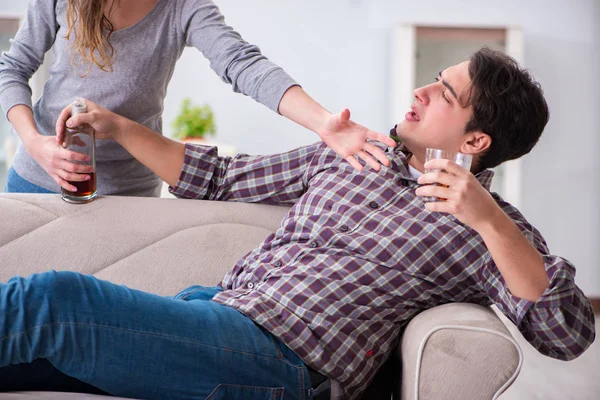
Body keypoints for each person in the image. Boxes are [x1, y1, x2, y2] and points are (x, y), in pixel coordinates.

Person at [0, 48, 595, 400]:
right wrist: (120, 127)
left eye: (443, 91)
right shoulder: (349, 155)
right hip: (218, 314)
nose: (420, 90)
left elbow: (565, 333)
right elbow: (217, 178)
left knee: (53, 301)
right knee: (26, 358)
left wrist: (489, 219)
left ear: (475, 140)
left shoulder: (489, 229)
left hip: (282, 362)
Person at [0, 0, 394, 196]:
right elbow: (12, 68)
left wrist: (322, 122)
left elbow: (242, 64)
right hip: (38, 177)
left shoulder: (184, 8)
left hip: (128, 193)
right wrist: (34, 144)